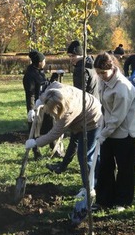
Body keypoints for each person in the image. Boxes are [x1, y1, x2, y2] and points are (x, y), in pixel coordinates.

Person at [24, 82, 103, 222]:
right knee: (83, 152)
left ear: (59, 108)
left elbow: (55, 133)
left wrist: (36, 142)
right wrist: (37, 104)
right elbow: (49, 89)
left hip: (92, 120)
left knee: (85, 155)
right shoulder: (55, 89)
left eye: (50, 111)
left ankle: (89, 188)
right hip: (81, 114)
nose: (48, 113)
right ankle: (92, 180)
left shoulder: (68, 112)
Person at [93, 52, 135, 211]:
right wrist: (101, 127)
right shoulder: (103, 82)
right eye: (98, 73)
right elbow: (104, 108)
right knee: (105, 165)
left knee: (124, 167)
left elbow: (118, 116)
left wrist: (104, 133)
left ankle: (122, 200)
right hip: (108, 130)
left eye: (103, 72)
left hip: (124, 132)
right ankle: (104, 200)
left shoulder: (122, 87)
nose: (100, 76)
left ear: (112, 68)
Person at [47, 41, 99, 174]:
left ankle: (66, 168)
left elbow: (79, 93)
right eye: (69, 56)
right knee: (81, 141)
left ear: (80, 55)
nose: (71, 59)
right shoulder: (91, 65)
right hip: (95, 106)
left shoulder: (81, 70)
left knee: (77, 139)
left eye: (72, 56)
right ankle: (64, 166)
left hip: (84, 109)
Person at [23, 50, 57, 159]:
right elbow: (31, 94)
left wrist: (53, 80)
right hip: (37, 106)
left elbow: (44, 86)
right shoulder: (29, 75)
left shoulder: (39, 72)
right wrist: (31, 109)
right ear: (39, 62)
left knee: (52, 125)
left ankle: (55, 148)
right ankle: (36, 153)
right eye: (43, 60)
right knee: (35, 129)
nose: (45, 62)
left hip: (46, 104)